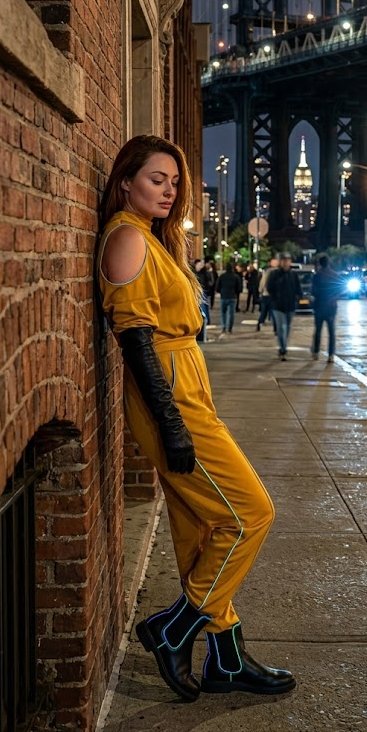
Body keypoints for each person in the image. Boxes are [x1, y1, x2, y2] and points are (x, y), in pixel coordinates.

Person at [96, 135, 295, 702]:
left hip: (186, 387)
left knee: (202, 530)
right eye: (155, 178)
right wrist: (172, 423)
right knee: (251, 514)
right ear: (126, 180)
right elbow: (134, 341)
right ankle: (174, 630)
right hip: (170, 395)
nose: (168, 189)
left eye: (174, 181)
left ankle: (226, 661)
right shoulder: (129, 237)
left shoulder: (154, 239)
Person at [266, 252, 301, 361]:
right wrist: (274, 298)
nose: (285, 263)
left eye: (287, 260)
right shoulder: (274, 274)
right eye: (283, 260)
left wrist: (298, 298)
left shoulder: (293, 275)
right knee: (281, 328)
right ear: (280, 262)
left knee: (287, 328)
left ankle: (283, 346)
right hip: (277, 306)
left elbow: (298, 289)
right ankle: (283, 349)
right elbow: (269, 287)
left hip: (290, 305)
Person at [311, 255, 340, 363]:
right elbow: (341, 288)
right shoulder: (335, 275)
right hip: (331, 307)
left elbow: (313, 291)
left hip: (319, 305)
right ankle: (331, 354)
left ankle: (316, 352)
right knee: (331, 332)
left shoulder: (317, 275)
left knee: (318, 330)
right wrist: (334, 297)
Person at [216, 262, 241, 333]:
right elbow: (239, 288)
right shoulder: (235, 277)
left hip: (224, 296)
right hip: (232, 296)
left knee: (223, 313)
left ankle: (223, 327)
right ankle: (230, 328)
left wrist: (221, 291)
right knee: (231, 313)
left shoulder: (222, 276)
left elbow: (217, 287)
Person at [257, 257, 278, 331]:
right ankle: (276, 328)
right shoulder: (278, 272)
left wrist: (261, 291)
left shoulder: (268, 272)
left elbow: (263, 282)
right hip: (274, 295)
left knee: (264, 311)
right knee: (273, 312)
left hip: (266, 294)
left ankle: (259, 324)